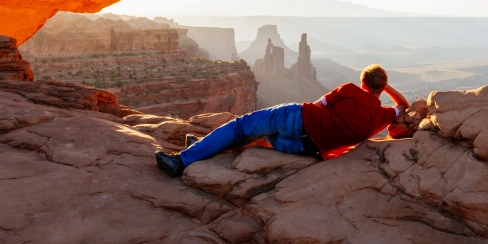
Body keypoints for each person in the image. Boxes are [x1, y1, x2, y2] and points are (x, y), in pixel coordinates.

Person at [155, 64, 410, 177]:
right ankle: (201, 145)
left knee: (241, 126)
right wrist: (386, 89)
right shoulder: (382, 116)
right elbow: (403, 106)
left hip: (295, 120)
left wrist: (370, 87)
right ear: (382, 87)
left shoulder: (351, 89)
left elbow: (320, 104)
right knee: (258, 137)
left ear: (363, 82)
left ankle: (182, 161)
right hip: (303, 149)